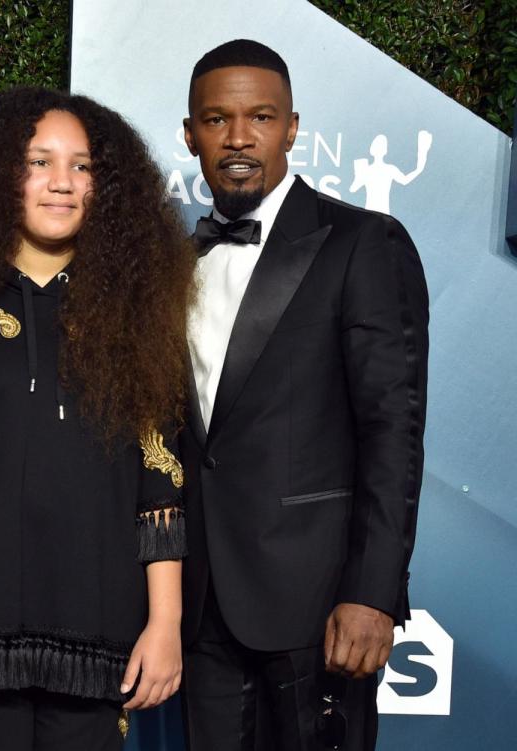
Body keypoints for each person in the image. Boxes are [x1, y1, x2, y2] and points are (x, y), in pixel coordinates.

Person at [0, 87, 195, 751]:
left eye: (82, 166)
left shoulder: (137, 316)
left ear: (105, 184)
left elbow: (160, 489)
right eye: (39, 162)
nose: (62, 182)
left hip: (101, 638)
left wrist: (165, 621)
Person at [177, 40, 428, 750]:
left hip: (320, 606)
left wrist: (372, 592)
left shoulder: (363, 242)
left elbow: (393, 433)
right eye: (217, 119)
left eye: (260, 117)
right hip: (202, 610)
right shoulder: (173, 261)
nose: (238, 138)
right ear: (190, 133)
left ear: (292, 128)